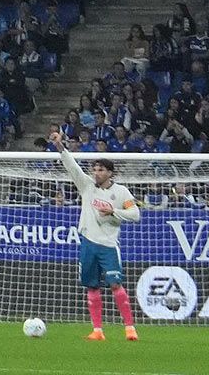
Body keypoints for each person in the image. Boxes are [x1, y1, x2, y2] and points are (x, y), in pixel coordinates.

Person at [50, 130, 142, 341]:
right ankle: (97, 331)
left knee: (116, 285)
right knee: (92, 286)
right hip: (88, 244)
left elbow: (135, 214)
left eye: (100, 170)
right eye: (94, 170)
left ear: (110, 173)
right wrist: (60, 146)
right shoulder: (87, 187)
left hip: (108, 245)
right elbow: (72, 167)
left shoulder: (121, 192)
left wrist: (114, 212)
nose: (96, 173)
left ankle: (130, 328)